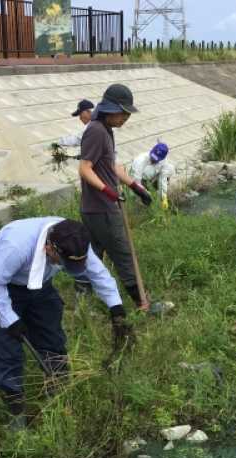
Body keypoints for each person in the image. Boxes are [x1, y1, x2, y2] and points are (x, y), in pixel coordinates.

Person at [0, 217, 130, 430]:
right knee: (7, 346)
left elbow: (98, 274)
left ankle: (57, 393)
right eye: (65, 263)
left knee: (51, 335)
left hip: (39, 284)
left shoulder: (75, 239)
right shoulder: (17, 246)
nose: (68, 267)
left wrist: (116, 308)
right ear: (49, 249)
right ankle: (15, 410)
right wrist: (10, 320)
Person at [78, 84, 153, 309]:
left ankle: (83, 299)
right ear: (110, 109)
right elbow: (85, 168)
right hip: (102, 207)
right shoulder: (96, 131)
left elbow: (111, 165)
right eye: (123, 113)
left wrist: (135, 186)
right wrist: (108, 191)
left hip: (94, 207)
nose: (126, 118)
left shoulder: (105, 129)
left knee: (92, 254)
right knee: (123, 253)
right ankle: (142, 303)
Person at [129, 142, 176, 210]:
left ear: (162, 158)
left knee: (169, 170)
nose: (153, 159)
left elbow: (163, 179)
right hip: (138, 180)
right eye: (153, 157)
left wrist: (164, 197)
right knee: (140, 196)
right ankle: (141, 202)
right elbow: (136, 182)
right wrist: (145, 193)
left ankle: (156, 197)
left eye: (156, 159)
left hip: (150, 179)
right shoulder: (140, 160)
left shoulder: (164, 163)